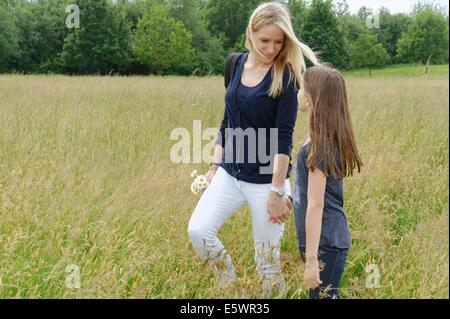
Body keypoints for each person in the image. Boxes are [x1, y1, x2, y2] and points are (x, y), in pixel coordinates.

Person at [187, 2, 319, 297]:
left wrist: (277, 192)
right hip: (229, 174)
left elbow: (284, 138)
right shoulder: (233, 63)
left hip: (266, 181)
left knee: (267, 263)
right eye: (264, 40)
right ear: (251, 33)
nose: (271, 48)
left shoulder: (286, 75)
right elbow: (227, 121)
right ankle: (233, 291)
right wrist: (213, 168)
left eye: (278, 41)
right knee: (198, 230)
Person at [293, 66, 363, 299]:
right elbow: (306, 192)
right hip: (320, 241)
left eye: (302, 87)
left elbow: (316, 204)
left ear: (313, 98)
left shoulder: (320, 144)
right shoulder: (314, 138)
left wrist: (312, 260)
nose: (298, 92)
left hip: (326, 243)